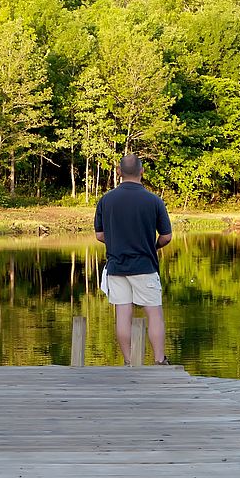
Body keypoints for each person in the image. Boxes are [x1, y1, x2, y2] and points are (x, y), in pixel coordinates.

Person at [94, 153, 173, 366]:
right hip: (145, 266)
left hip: (116, 266)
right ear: (142, 172)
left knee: (123, 314)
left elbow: (100, 235)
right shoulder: (154, 200)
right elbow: (166, 236)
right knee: (154, 313)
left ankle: (129, 360)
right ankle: (159, 360)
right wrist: (152, 246)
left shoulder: (106, 200)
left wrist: (116, 244)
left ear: (119, 172)